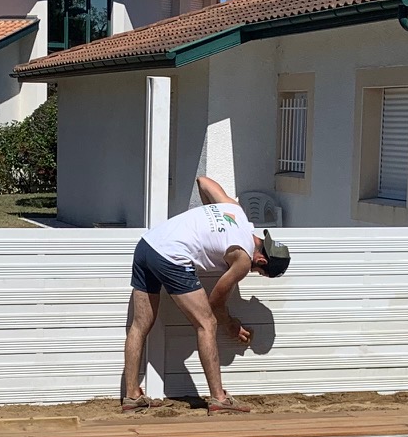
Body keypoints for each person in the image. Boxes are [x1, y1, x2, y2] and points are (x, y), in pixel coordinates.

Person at [122, 177, 290, 413]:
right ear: (261, 260)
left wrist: (209, 223)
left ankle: (131, 396)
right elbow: (215, 302)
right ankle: (219, 399)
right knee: (207, 324)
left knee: (140, 325)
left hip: (147, 245)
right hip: (172, 256)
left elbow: (203, 182)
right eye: (259, 272)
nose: (253, 272)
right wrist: (230, 324)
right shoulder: (243, 259)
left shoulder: (235, 210)